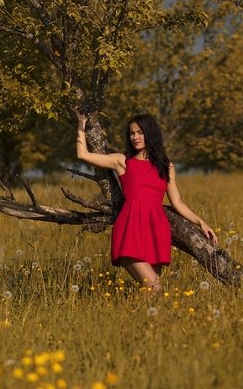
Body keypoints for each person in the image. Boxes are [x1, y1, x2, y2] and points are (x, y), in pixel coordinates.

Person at [75, 113, 218, 292]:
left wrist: (201, 222)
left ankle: (142, 319)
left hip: (156, 230)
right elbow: (82, 154)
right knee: (155, 288)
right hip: (131, 229)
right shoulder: (122, 161)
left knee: (151, 293)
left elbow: (177, 202)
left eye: (140, 132)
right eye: (132, 133)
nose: (135, 137)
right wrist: (81, 124)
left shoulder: (166, 166)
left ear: (150, 133)